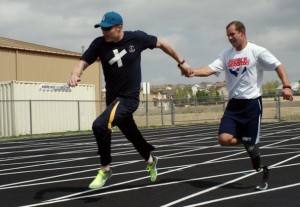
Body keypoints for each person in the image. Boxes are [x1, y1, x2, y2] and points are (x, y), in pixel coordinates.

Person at [68, 11, 190, 189]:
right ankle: (150, 160)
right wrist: (75, 75)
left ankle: (105, 168)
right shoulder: (99, 44)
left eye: (108, 29)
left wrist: (182, 62)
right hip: (113, 99)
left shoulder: (137, 38)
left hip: (129, 98)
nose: (104, 32)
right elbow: (82, 62)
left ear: (119, 28)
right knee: (131, 134)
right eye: (102, 28)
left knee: (99, 125)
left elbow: (162, 43)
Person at [182, 21, 293, 190]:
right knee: (223, 139)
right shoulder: (226, 54)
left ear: (242, 32)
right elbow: (210, 69)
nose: (229, 38)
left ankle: (258, 162)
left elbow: (278, 65)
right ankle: (249, 139)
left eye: (232, 34)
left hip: (252, 104)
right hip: (234, 105)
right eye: (227, 35)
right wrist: (193, 72)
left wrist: (286, 86)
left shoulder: (256, 51)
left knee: (252, 151)